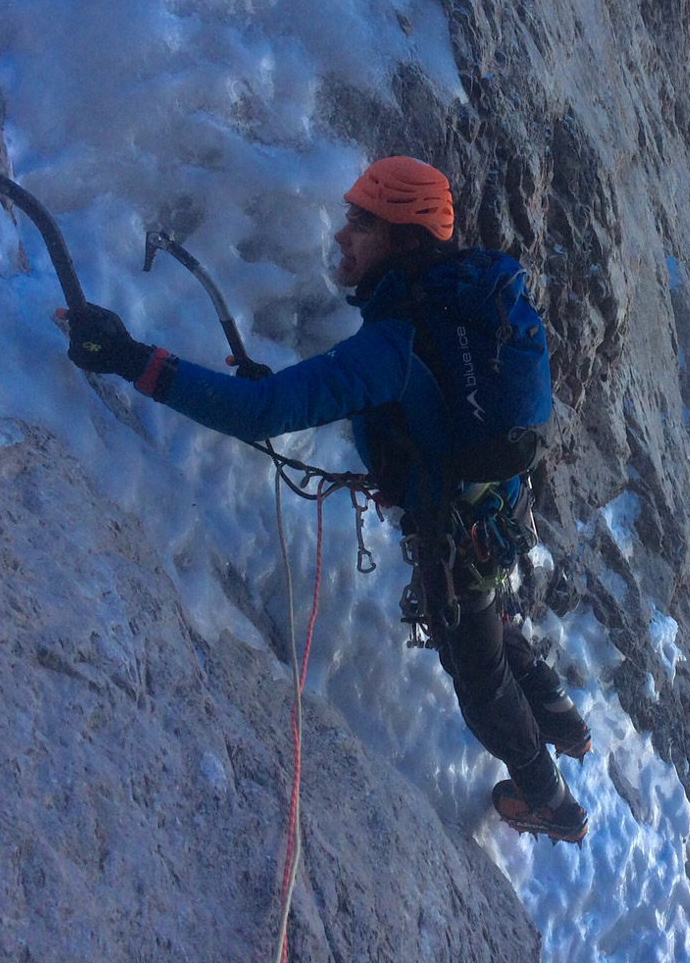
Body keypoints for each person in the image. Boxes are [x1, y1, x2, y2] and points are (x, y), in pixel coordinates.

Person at [63, 155, 591, 843]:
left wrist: (132, 359)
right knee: (491, 621)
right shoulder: (456, 303)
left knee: (477, 671)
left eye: (362, 224)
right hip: (491, 509)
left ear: (404, 240)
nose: (342, 235)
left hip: (457, 532)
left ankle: (548, 798)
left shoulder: (398, 339)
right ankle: (566, 725)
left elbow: (261, 415)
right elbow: (407, 406)